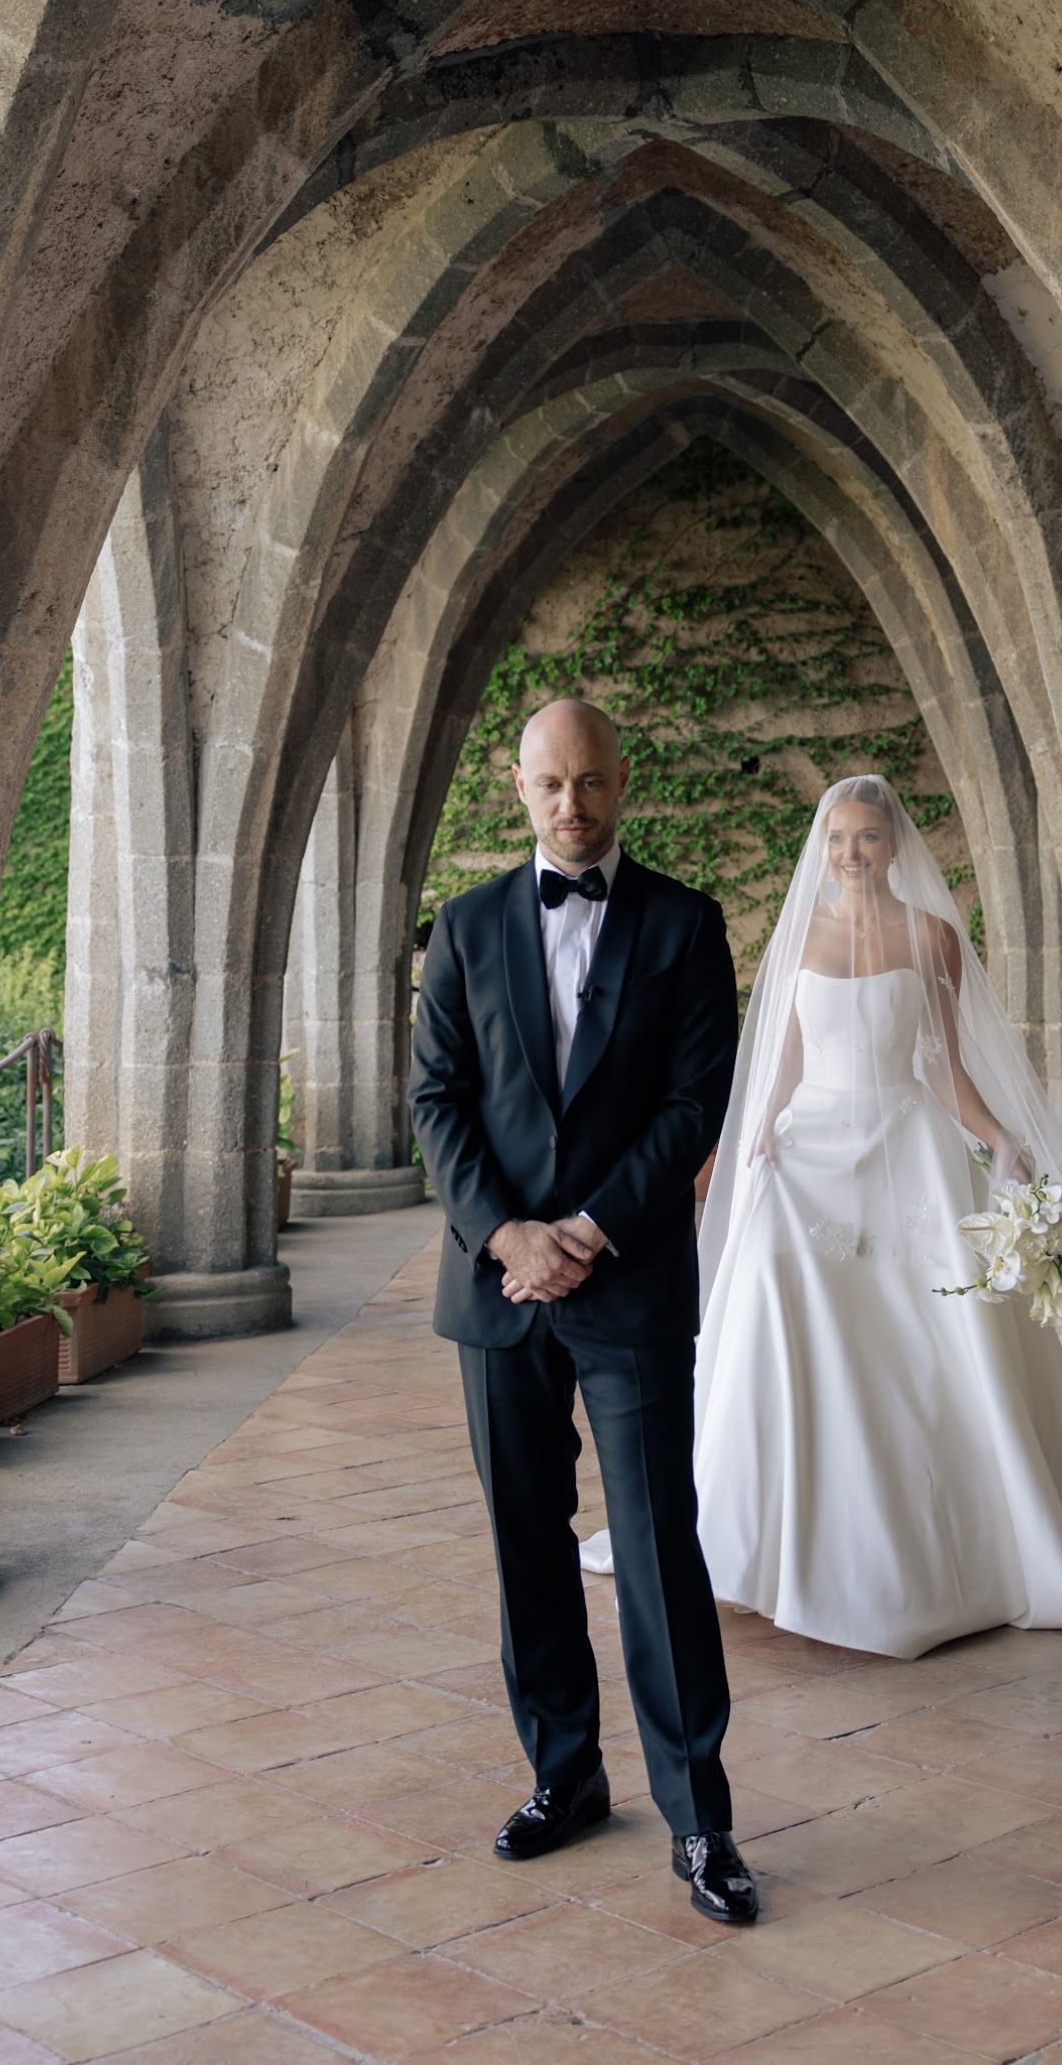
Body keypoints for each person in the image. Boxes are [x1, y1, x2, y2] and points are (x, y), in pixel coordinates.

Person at [588, 775, 1062, 1658]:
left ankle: (936, 1540)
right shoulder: (798, 935)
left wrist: (1001, 1141)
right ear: (823, 846)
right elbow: (787, 1056)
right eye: (838, 837)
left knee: (927, 1341)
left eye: (868, 837)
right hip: (810, 1154)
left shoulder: (932, 938)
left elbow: (944, 1065)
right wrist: (751, 1134)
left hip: (905, 1146)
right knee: (772, 1299)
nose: (851, 853)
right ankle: (763, 1537)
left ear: (894, 843)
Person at [408, 699, 758, 1925]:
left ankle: (699, 1818)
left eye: (592, 781)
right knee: (526, 1540)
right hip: (496, 1283)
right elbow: (438, 1098)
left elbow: (694, 1101)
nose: (573, 805)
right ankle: (566, 1776)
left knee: (660, 1545)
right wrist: (507, 1232)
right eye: (551, 784)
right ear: (520, 786)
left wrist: (591, 1229)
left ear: (625, 777)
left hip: (630, 1278)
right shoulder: (461, 928)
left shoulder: (687, 924)